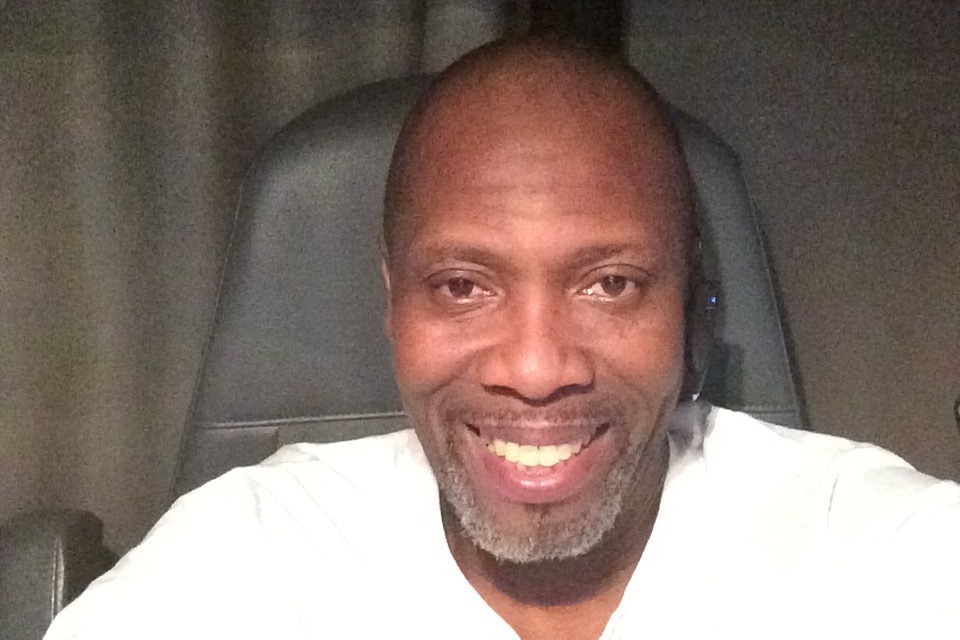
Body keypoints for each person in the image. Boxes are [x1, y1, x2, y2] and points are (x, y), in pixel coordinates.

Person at [46, 36, 960, 640]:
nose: (535, 369)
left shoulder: (877, 554)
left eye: (610, 284)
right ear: (393, 301)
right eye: (462, 287)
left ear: (692, 308)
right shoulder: (244, 559)